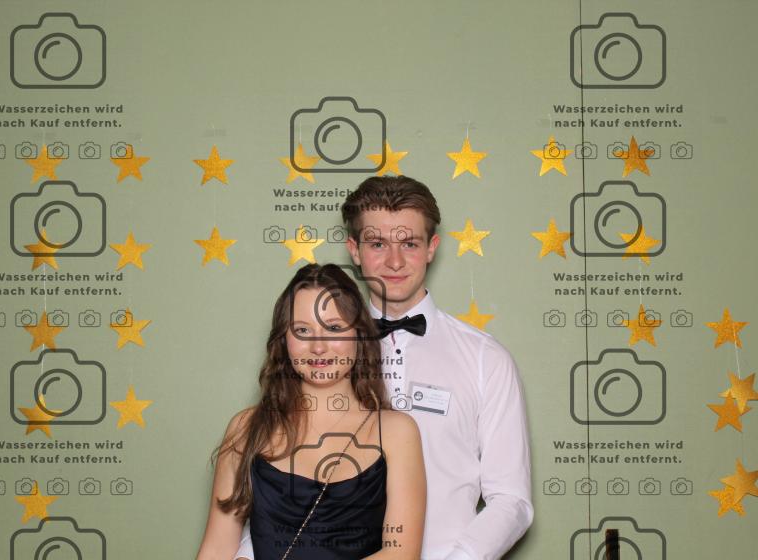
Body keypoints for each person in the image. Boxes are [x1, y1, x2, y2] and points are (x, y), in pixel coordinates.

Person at [235, 175, 533, 559]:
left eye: (409, 243)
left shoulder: (485, 359)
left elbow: (511, 499)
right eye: (377, 244)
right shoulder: (320, 353)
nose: (394, 261)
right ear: (354, 250)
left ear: (431, 248)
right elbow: (278, 481)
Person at [196, 263, 426, 560]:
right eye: (303, 330)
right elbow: (216, 549)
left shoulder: (395, 431)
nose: (318, 347)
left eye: (334, 328)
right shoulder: (245, 428)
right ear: (284, 340)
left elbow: (401, 554)